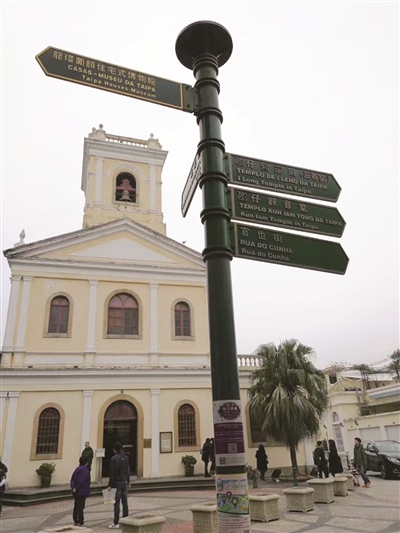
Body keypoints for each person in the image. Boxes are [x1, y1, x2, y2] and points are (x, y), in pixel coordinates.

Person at [108, 441, 131, 529]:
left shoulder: (114, 459)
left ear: (114, 449)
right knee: (125, 502)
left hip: (117, 483)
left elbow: (112, 473)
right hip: (124, 482)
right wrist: (128, 481)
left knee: (116, 503)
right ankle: (126, 520)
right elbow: (127, 471)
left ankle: (116, 522)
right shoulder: (126, 458)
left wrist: (110, 485)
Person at [70, 457, 90, 527]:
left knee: (76, 505)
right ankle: (81, 520)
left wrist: (73, 487)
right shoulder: (86, 470)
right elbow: (85, 480)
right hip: (83, 490)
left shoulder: (77, 469)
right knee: (81, 506)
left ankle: (75, 519)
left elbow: (73, 479)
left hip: (76, 491)